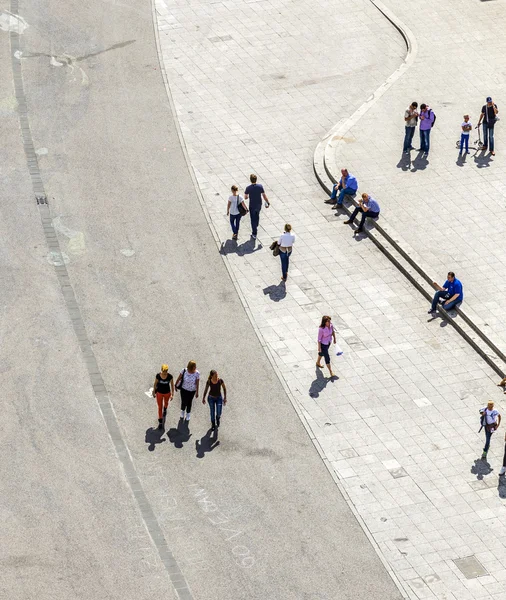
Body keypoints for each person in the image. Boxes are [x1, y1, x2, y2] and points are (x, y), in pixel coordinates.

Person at [244, 174, 270, 239]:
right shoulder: (260, 186)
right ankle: (257, 223)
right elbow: (264, 195)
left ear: (250, 180)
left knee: (252, 219)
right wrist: (267, 202)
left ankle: (254, 233)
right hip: (259, 204)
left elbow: (246, 197)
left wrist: (247, 196)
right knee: (257, 214)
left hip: (252, 205)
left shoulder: (248, 188)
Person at [152, 364, 174, 428]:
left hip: (167, 393)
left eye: (166, 372)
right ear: (161, 370)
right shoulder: (158, 376)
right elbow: (155, 384)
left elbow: (172, 385)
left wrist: (172, 394)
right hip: (159, 393)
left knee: (166, 403)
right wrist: (154, 392)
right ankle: (160, 421)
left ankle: (165, 408)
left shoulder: (170, 376)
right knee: (159, 407)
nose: (165, 373)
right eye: (164, 372)